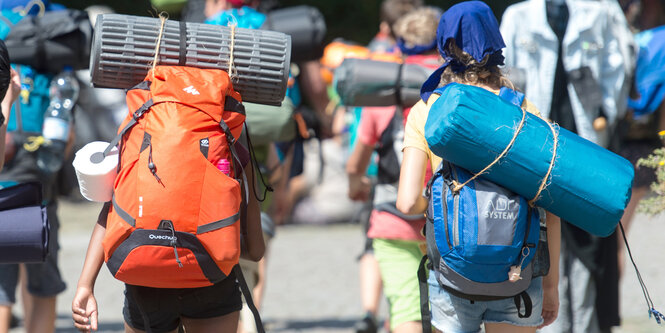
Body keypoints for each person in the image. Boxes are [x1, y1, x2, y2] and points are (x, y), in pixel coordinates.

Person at [396, 2, 561, 332]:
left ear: (445, 44)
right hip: (516, 271)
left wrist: (446, 207)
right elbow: (550, 206)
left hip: (452, 274)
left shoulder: (427, 110)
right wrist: (552, 285)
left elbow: (407, 201)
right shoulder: (525, 110)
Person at [500, 1, 633, 332]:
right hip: (537, 148)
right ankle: (554, 324)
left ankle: (585, 325)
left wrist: (605, 115)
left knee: (587, 242)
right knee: (542, 236)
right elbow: (504, 75)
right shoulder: (518, 16)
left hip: (585, 145)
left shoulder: (598, 12)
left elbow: (619, 66)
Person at [346, 6, 441, 333]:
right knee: (451, 311)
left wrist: (355, 186)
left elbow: (356, 162)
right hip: (447, 223)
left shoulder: (386, 94)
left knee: (405, 307)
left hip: (392, 217)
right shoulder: (453, 94)